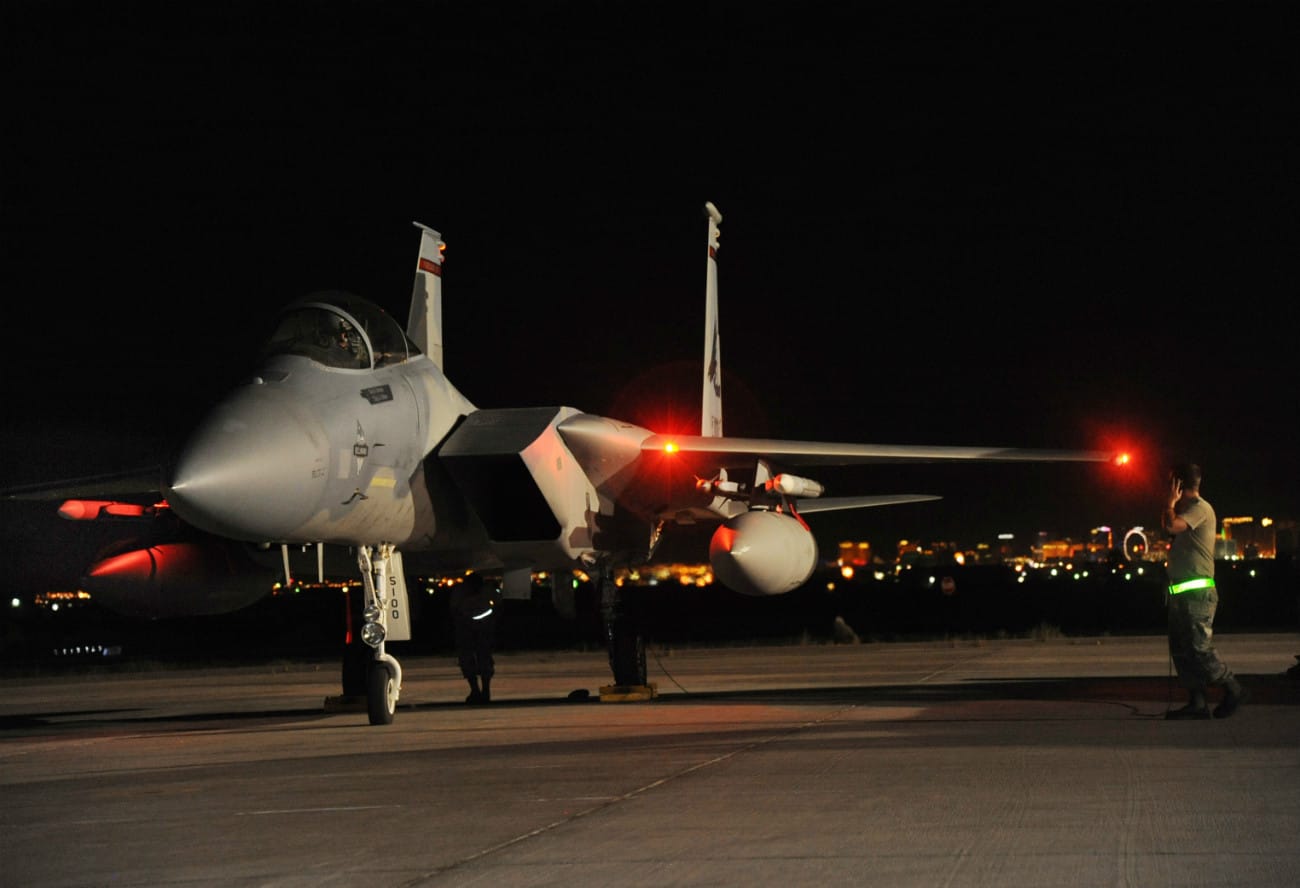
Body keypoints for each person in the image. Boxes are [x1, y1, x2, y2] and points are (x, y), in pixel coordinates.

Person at [1161, 462, 1247, 719]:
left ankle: (1232, 687)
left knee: (1199, 648)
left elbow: (1170, 526)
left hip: (1198, 596)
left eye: (1171, 482)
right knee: (1181, 649)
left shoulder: (1200, 509)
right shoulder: (1185, 511)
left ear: (1178, 484)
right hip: (1182, 594)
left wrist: (1168, 502)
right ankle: (1197, 702)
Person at [449, 572, 496, 703]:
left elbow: (454, 610)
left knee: (473, 659)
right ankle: (481, 690)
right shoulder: (486, 592)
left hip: (470, 629)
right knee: (478, 659)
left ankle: (478, 690)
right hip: (477, 629)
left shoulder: (461, 593)